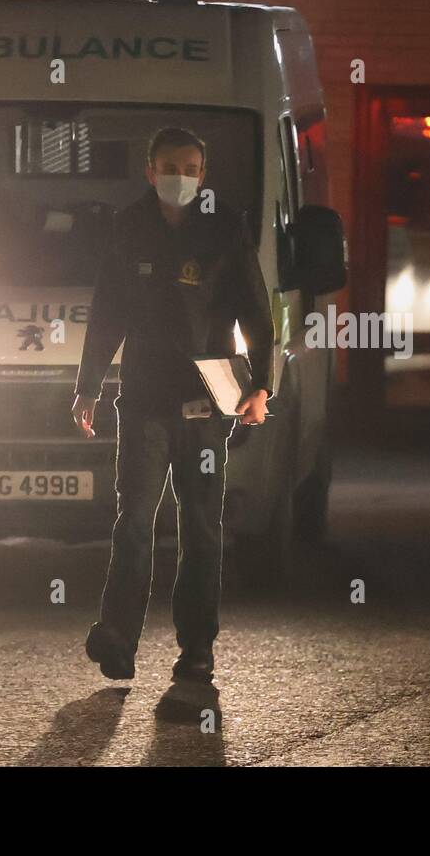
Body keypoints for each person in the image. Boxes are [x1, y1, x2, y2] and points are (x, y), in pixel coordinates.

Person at [71, 126, 273, 685]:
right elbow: (107, 311)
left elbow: (255, 312)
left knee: (201, 528)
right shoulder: (129, 226)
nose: (178, 177)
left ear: (202, 175)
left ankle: (197, 650)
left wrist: (261, 385)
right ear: (150, 171)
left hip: (206, 401)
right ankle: (118, 637)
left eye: (189, 169)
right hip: (143, 400)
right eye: (168, 167)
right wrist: (88, 386)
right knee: (134, 520)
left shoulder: (225, 227)